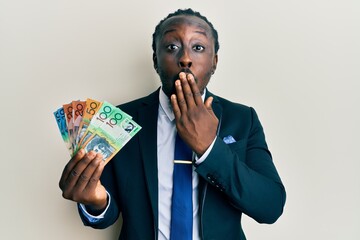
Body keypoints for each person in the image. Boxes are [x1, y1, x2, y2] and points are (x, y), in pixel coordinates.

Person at [59, 8, 286, 240]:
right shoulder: (121, 120)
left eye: (198, 47)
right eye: (172, 47)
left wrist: (210, 148)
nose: (185, 58)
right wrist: (96, 202)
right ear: (156, 60)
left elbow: (270, 207)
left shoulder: (242, 119)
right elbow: (107, 214)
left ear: (214, 62)